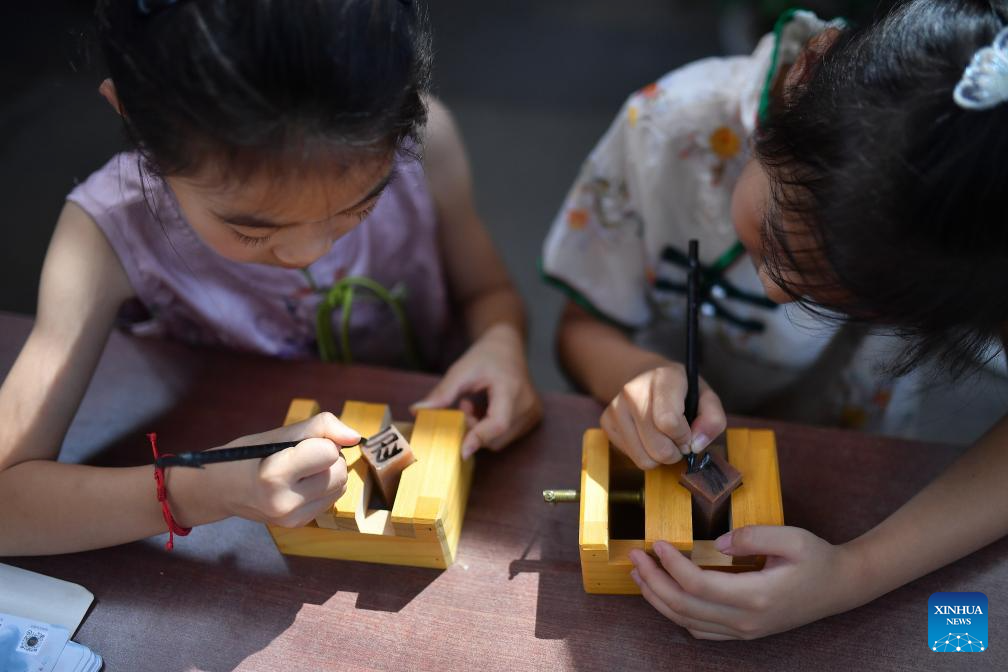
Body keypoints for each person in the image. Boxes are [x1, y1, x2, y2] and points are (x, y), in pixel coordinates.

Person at [0, 0, 540, 556]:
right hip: (237, 515)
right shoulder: (108, 232)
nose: (309, 252)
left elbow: (489, 293)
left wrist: (500, 342)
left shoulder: (424, 144)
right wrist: (195, 490)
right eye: (251, 230)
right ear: (135, 118)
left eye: (359, 205)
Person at [545, 0, 1008, 638]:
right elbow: (577, 330)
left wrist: (856, 572)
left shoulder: (986, 237)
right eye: (772, 239)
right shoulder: (668, 129)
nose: (774, 290)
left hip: (857, 466)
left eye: (838, 296)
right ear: (800, 78)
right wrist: (632, 372)